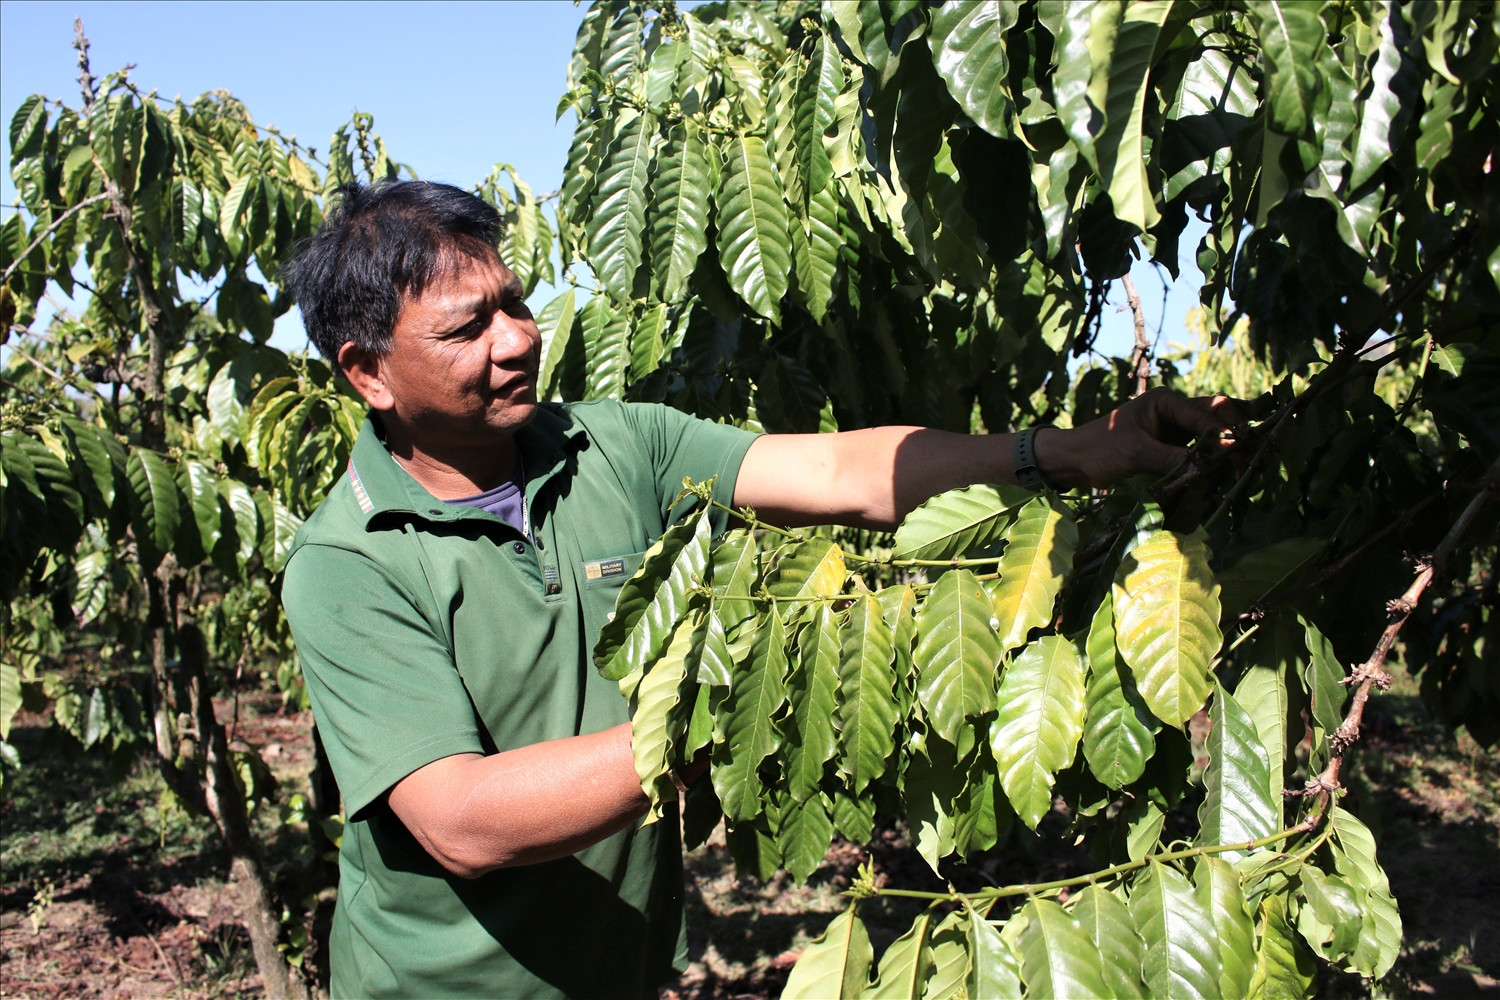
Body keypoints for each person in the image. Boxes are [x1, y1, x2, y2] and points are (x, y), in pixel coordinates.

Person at [281, 180, 1239, 999]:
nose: (518, 340)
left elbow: (843, 476)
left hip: (622, 964)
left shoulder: (610, 443)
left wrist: (1068, 450)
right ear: (368, 373)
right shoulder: (349, 560)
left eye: (515, 303)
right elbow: (462, 822)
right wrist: (729, 718)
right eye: (467, 328)